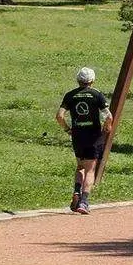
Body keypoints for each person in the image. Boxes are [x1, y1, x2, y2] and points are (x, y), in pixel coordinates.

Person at [56, 67, 113, 215]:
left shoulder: (70, 95)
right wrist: (107, 127)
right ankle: (84, 201)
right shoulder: (97, 95)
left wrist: (68, 129)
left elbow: (60, 116)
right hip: (93, 136)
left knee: (80, 166)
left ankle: (76, 192)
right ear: (92, 81)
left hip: (77, 136)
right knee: (90, 169)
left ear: (78, 80)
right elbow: (108, 116)